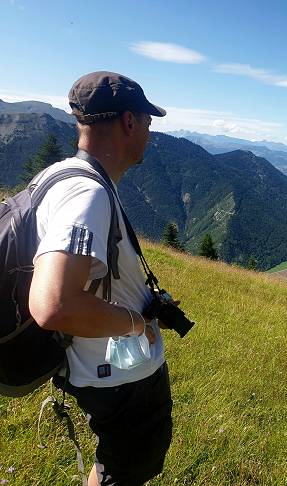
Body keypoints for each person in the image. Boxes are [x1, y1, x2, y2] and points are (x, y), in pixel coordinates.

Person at [28, 71, 172, 486]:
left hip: (97, 369)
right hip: (115, 376)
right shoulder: (86, 194)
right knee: (127, 470)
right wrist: (137, 324)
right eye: (147, 122)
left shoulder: (59, 175)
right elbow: (53, 303)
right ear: (129, 121)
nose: (148, 132)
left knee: (118, 463)